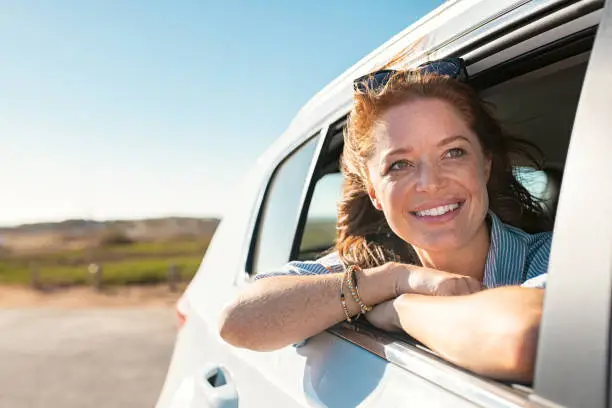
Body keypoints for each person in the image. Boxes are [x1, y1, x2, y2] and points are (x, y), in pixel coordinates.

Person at [219, 57, 552, 383]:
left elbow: (527, 338)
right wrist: (394, 279)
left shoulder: (555, 255)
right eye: (400, 164)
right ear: (375, 193)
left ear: (485, 166)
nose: (430, 182)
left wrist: (400, 310)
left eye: (453, 152)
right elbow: (237, 319)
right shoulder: (370, 268)